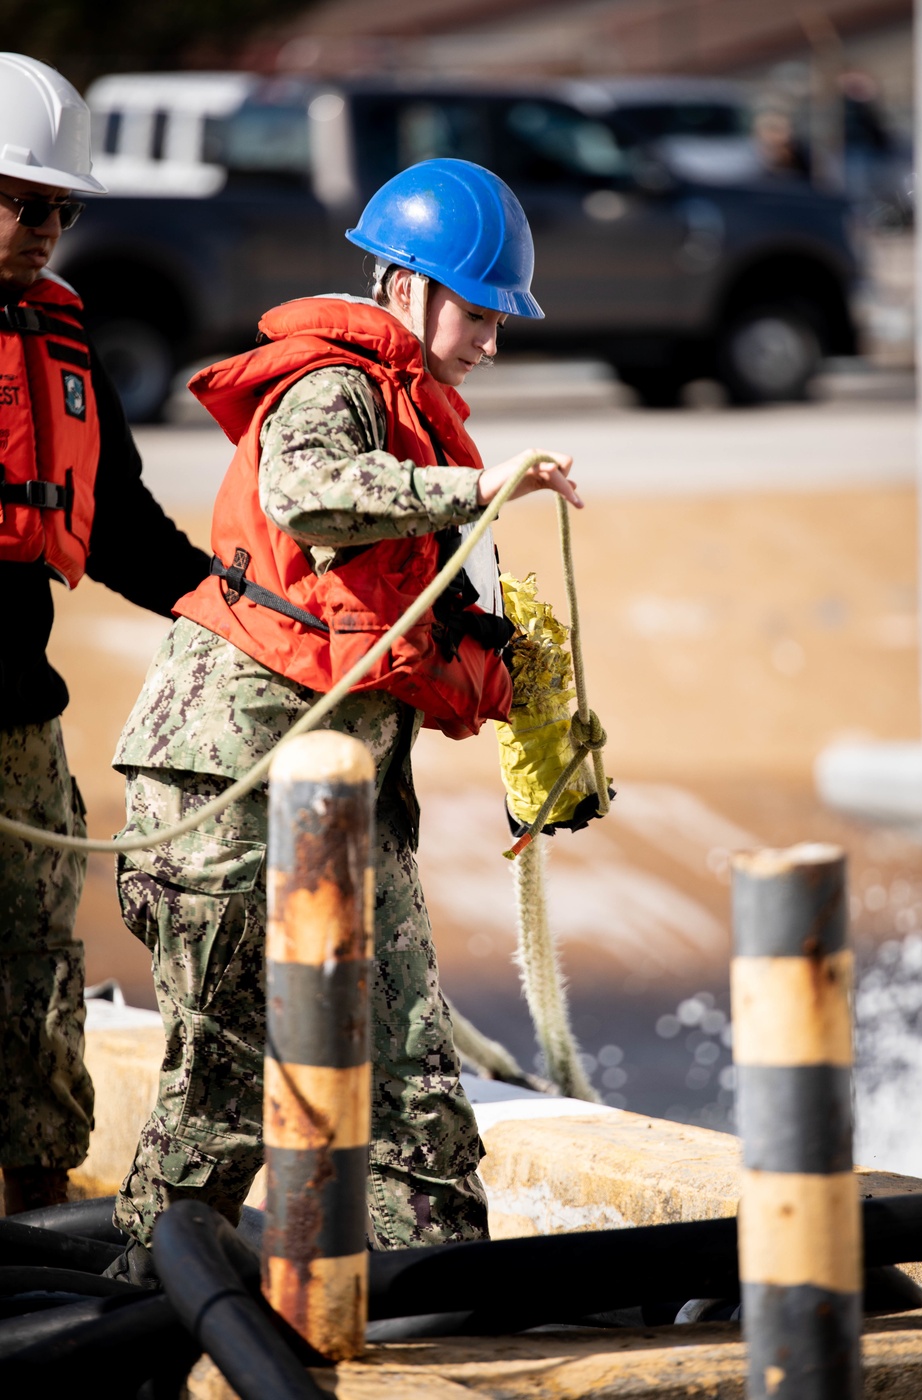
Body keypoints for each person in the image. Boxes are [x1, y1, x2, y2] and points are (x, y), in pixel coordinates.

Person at [104, 157, 581, 1284]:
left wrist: (516, 691)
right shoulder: (335, 387)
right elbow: (305, 493)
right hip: (220, 785)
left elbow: (403, 628)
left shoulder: (417, 415)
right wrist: (474, 490)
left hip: (344, 797)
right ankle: (129, 1318)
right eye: (477, 313)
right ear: (407, 291)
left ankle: (441, 1317)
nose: (490, 344)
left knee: (414, 1081)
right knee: (216, 1096)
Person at [0, 53, 210, 1215]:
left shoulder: (61, 337)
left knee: (38, 973)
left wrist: (230, 605)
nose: (47, 231)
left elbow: (120, 522)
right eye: (26, 202)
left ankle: (34, 1225)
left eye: (61, 210)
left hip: (19, 723)